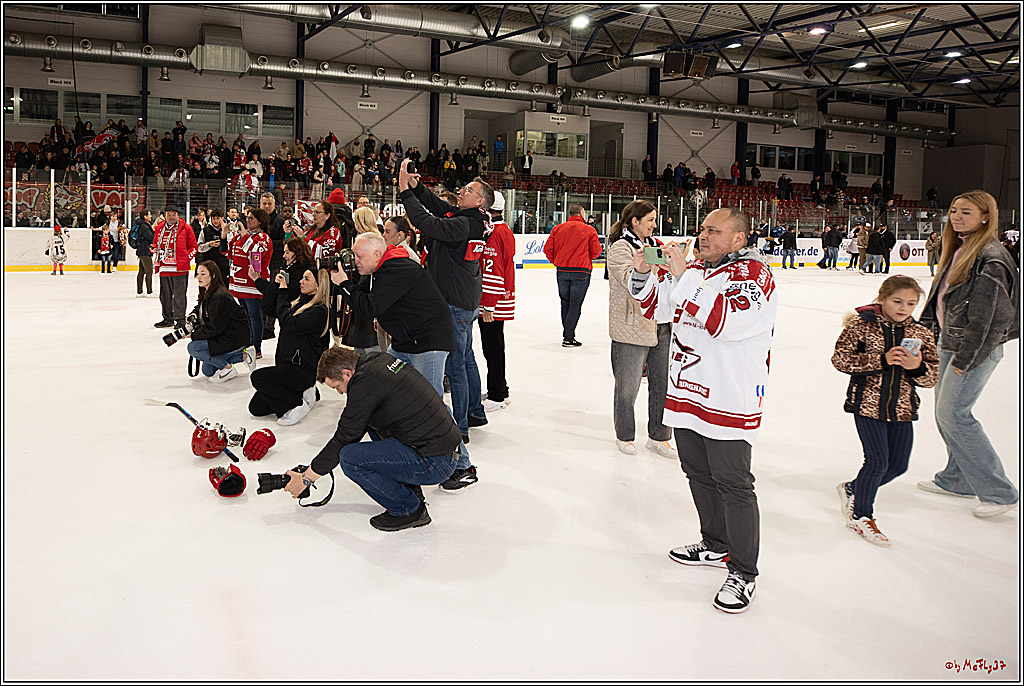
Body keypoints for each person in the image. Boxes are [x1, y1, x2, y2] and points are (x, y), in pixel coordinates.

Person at [630, 207, 777, 614]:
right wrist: (643, 273)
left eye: (714, 230)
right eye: (703, 229)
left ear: (739, 238)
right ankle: (715, 543)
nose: (703, 236)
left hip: (729, 397)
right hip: (687, 392)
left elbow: (723, 321)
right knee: (697, 471)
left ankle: (743, 571)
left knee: (733, 483)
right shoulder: (697, 270)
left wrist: (682, 277)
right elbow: (658, 309)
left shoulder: (755, 276)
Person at [917, 190, 1020, 518]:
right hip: (950, 343)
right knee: (944, 414)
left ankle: (999, 492)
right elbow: (941, 302)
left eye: (966, 212)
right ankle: (957, 479)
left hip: (974, 349)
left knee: (955, 414)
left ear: (985, 217)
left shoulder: (991, 257)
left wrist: (966, 360)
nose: (957, 217)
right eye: (954, 211)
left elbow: (991, 318)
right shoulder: (961, 248)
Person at [283, 347, 463, 531]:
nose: (339, 392)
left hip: (435, 462)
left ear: (346, 373)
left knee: (350, 458)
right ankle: (410, 491)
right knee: (371, 423)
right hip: (443, 450)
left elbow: (344, 437)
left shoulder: (366, 384)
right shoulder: (378, 361)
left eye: (337, 386)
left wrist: (307, 478)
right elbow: (354, 427)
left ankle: (408, 509)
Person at [398, 159, 490, 486]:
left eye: (468, 190)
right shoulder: (471, 218)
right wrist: (417, 187)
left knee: (454, 368)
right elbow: (440, 208)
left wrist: (405, 194)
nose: (461, 192)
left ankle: (459, 430)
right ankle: (470, 416)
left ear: (480, 200)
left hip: (454, 304)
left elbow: (428, 222)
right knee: (463, 361)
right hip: (461, 300)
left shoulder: (465, 225)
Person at [831, 276, 939, 546]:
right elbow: (840, 360)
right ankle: (861, 515)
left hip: (902, 408)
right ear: (882, 298)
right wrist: (881, 359)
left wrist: (916, 367)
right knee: (877, 462)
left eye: (911, 303)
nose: (904, 308)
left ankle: (853, 488)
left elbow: (931, 377)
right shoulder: (861, 325)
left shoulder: (921, 333)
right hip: (867, 404)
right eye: (897, 301)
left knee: (898, 465)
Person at [605, 199, 676, 459]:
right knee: (628, 387)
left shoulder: (654, 245)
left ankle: (659, 437)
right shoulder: (620, 248)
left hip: (661, 324)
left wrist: (675, 258)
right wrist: (642, 267)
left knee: (662, 385)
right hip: (631, 326)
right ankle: (625, 435)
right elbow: (628, 279)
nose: (654, 225)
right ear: (634, 221)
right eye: (650, 220)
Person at [249, 267, 330, 425]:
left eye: (306, 279)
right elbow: (267, 308)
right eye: (302, 278)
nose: (301, 281)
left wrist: (283, 293)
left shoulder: (319, 311)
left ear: (318, 285)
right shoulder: (298, 303)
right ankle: (306, 393)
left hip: (300, 370)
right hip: (286, 366)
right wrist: (276, 286)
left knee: (258, 377)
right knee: (256, 407)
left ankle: (297, 404)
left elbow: (288, 324)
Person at [543, 204, 603, 347]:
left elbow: (548, 249)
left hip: (562, 270)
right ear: (581, 213)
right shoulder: (589, 230)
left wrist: (557, 261)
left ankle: (568, 334)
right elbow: (596, 252)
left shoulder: (558, 229)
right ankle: (568, 337)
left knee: (565, 303)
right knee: (575, 305)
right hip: (581, 271)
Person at [184, 261, 253, 383]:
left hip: (234, 337)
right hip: (224, 334)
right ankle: (244, 356)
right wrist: (193, 314)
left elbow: (215, 328)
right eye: (197, 274)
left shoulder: (220, 296)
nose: (199, 277)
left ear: (213, 275)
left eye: (203, 274)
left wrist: (193, 335)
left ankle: (228, 368)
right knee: (208, 370)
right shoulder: (208, 291)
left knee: (194, 347)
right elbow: (201, 306)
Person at [478, 191, 516, 412]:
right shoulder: (503, 230)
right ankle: (501, 388)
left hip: (493, 302)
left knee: (492, 348)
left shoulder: (494, 232)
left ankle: (497, 394)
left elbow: (493, 270)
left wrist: (489, 304)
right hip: (498, 298)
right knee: (494, 346)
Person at [227, 207, 273, 359]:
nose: (247, 220)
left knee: (254, 316)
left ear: (260, 221)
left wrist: (245, 237)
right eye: (247, 218)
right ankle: (246, 344)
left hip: (253, 283)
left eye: (251, 218)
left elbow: (256, 257)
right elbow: (229, 253)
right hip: (239, 282)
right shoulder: (242, 235)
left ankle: (256, 347)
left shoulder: (263, 238)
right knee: (245, 316)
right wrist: (224, 235)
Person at [153, 206, 198, 329]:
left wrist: (185, 258)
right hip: (164, 268)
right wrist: (153, 248)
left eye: (173, 214)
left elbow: (194, 247)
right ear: (165, 215)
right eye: (169, 214)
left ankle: (180, 320)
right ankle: (168, 318)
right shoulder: (160, 227)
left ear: (178, 215)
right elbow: (155, 243)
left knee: (179, 296)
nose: (171, 217)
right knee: (164, 296)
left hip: (180, 269)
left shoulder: (186, 228)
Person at [133, 208, 155, 295]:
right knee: (149, 271)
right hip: (145, 251)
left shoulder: (143, 225)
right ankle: (149, 291)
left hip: (142, 250)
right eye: (149, 214)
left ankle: (139, 291)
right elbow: (150, 237)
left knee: (141, 271)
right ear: (145, 216)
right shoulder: (144, 226)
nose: (151, 216)